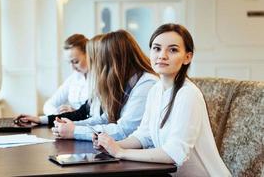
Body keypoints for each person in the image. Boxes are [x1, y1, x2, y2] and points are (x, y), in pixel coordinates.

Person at [93, 24, 231, 176]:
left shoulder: (188, 94)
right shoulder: (155, 90)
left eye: (173, 50)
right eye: (156, 48)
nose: (162, 55)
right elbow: (144, 136)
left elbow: (174, 153)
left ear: (187, 57)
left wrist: (121, 152)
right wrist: (111, 145)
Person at [51, 30, 159, 141]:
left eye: (100, 62)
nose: (98, 68)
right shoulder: (127, 82)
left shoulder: (146, 84)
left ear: (114, 61)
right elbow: (105, 118)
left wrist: (74, 131)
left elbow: (125, 131)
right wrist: (71, 125)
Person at [16, 34, 90, 124]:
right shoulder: (74, 78)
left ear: (89, 55)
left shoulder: (100, 81)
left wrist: (75, 113)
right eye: (69, 63)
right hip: (69, 124)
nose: (73, 68)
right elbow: (48, 105)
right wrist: (58, 116)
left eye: (75, 62)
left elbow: (95, 116)